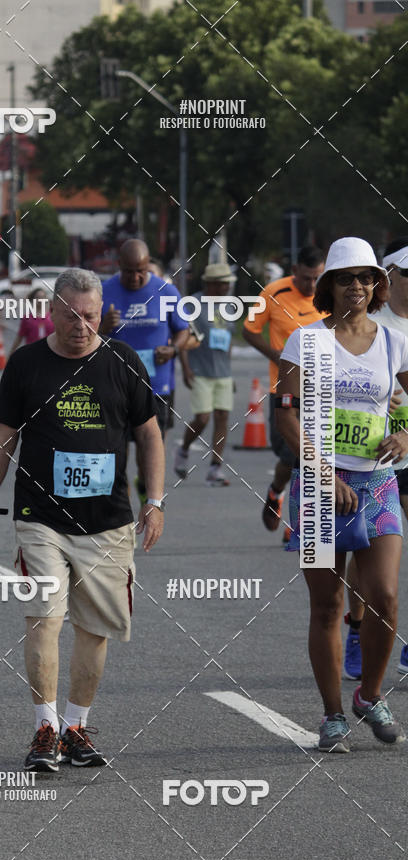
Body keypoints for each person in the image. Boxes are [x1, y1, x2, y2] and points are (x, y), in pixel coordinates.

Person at [0, 268, 164, 772]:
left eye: (92, 316)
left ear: (103, 314)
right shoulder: (27, 364)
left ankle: (75, 725)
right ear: (52, 312)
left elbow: (149, 435)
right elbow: (3, 439)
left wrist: (156, 500)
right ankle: (45, 728)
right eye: (72, 315)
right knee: (45, 619)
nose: (82, 326)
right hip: (41, 520)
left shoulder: (123, 361)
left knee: (96, 630)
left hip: (109, 522)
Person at [277, 236, 408, 752]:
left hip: (377, 483)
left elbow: (404, 402)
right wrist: (324, 474)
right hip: (317, 486)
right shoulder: (306, 341)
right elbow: (284, 414)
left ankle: (370, 695)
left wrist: (405, 433)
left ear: (378, 284)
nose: (357, 286)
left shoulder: (394, 341)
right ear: (329, 284)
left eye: (366, 277)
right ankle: (333, 715)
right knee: (329, 606)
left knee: (385, 598)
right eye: (346, 277)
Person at [342, 236, 408, 679]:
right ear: (389, 276)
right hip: (366, 462)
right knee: (358, 549)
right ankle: (356, 626)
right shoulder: (372, 322)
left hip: (406, 452)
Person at [243, 247, 326, 538]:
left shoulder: (330, 293)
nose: (312, 286)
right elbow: (249, 330)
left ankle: (299, 521)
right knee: (292, 455)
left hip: (323, 390)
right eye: (306, 278)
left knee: (311, 455)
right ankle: (276, 491)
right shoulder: (272, 292)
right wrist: (277, 356)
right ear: (294, 269)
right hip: (285, 390)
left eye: (317, 278)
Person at [100, 239, 188, 501]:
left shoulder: (166, 291)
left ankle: (147, 497)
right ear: (119, 266)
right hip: (115, 385)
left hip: (157, 386)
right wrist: (103, 326)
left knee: (148, 448)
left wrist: (172, 350)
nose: (136, 277)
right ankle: (121, 509)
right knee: (116, 452)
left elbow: (183, 331)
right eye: (129, 271)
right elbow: (84, 335)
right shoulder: (104, 291)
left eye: (141, 270)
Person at [175, 263, 237, 485]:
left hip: (222, 372)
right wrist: (185, 368)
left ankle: (215, 468)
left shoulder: (230, 307)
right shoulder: (194, 304)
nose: (227, 287)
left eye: (228, 283)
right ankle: (183, 450)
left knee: (222, 417)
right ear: (210, 283)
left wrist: (230, 372)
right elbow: (183, 336)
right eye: (222, 283)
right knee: (202, 418)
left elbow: (228, 339)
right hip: (200, 369)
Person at [8, 287, 54, 356]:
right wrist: (11, 353)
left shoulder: (53, 317)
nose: (40, 300)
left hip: (49, 354)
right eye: (38, 297)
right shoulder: (27, 318)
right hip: (31, 354)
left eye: (43, 297)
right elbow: (19, 337)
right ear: (32, 300)